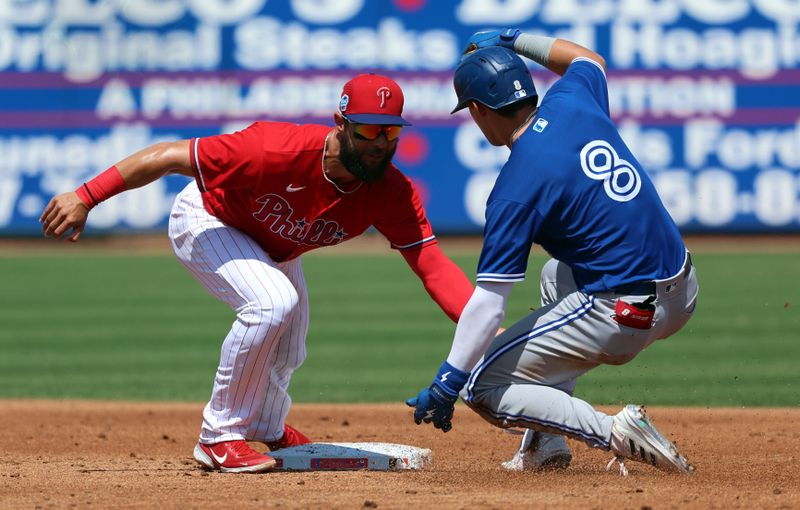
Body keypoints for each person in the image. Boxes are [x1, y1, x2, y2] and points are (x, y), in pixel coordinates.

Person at [41, 73, 475, 474]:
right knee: (271, 303)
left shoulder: (390, 192)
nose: (379, 143)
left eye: (391, 131)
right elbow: (167, 156)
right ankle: (218, 436)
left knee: (289, 347)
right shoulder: (275, 149)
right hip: (208, 218)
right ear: (340, 122)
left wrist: (483, 330)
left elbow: (433, 266)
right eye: (367, 130)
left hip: (271, 246)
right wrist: (86, 196)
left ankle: (266, 426)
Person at [406, 30, 699, 476]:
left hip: (623, 313)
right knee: (555, 277)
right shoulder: (572, 101)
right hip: (684, 289)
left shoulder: (516, 186)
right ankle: (544, 445)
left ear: (480, 111)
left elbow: (488, 304)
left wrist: (449, 379)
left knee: (483, 385)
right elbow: (588, 59)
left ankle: (615, 431)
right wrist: (512, 36)